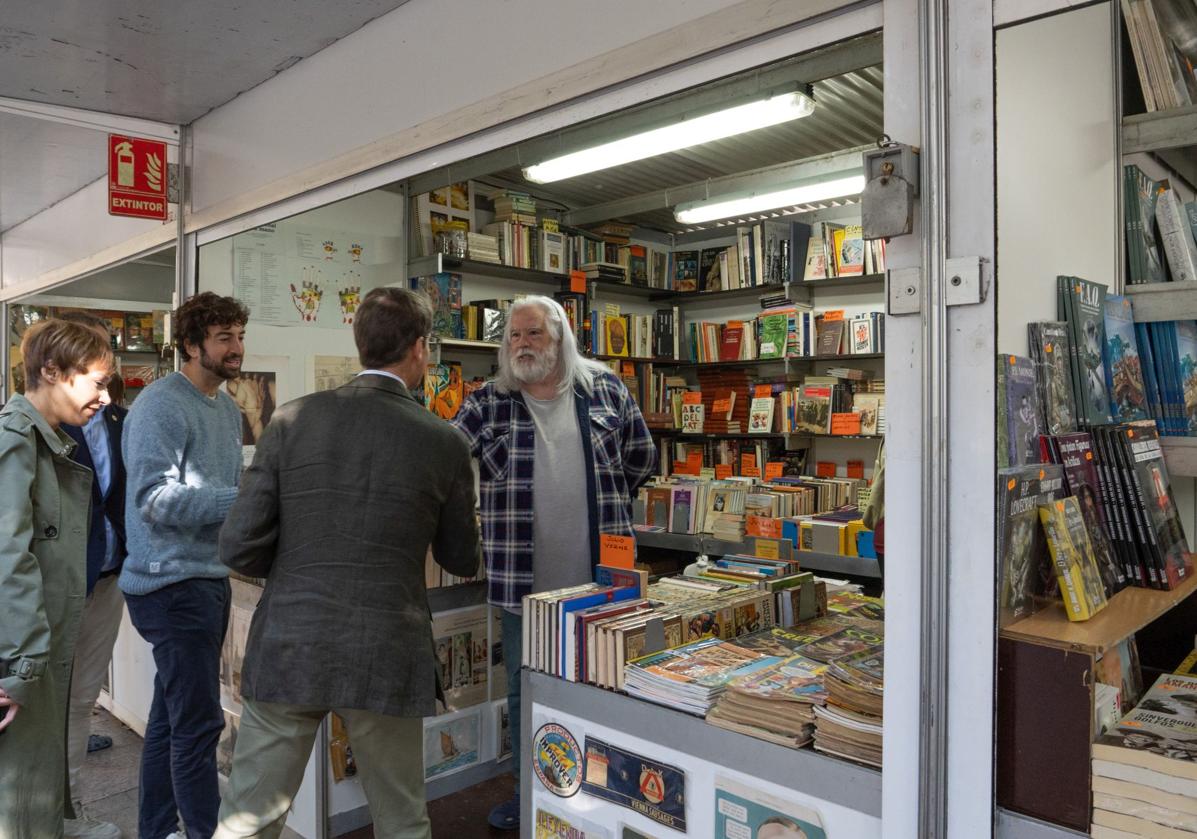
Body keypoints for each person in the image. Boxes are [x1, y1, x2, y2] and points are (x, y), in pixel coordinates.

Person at [214, 287, 481, 839]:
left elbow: (238, 546)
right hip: (387, 647)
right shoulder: (443, 441)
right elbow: (460, 556)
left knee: (248, 818)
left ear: (360, 345)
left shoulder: (290, 420)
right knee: (402, 819)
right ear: (419, 348)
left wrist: (297, 563)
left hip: (290, 642)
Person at [451, 296, 656, 831]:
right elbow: (445, 455)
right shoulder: (488, 401)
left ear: (561, 336)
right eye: (514, 336)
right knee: (527, 690)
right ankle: (532, 792)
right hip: (523, 587)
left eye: (534, 334)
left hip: (601, 583)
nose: (522, 344)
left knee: (608, 683)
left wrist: (607, 509)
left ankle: (604, 793)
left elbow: (641, 458)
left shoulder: (606, 389)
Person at [120, 292, 249, 839]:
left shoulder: (226, 407)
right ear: (191, 346)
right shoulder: (161, 405)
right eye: (224, 338)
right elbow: (153, 498)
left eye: (239, 336)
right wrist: (241, 500)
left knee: (173, 723)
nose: (237, 348)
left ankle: (155, 831)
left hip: (204, 578)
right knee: (199, 726)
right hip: (171, 584)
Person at [0, 319, 114, 838]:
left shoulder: (51, 443)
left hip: (36, 647)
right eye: (96, 381)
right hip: (19, 656)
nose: (106, 397)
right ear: (51, 371)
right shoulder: (16, 442)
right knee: (18, 804)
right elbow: (8, 558)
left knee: (34, 792)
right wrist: (22, 666)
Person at [57, 313, 130, 839]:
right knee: (43, 704)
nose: (109, 373)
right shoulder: (35, 426)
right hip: (53, 587)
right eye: (98, 361)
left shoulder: (121, 419)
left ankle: (70, 810)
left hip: (107, 580)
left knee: (81, 698)